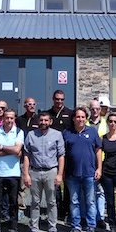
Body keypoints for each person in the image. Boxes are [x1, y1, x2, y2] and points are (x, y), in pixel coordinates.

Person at [23, 111, 65, 232]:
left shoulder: (57, 135)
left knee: (51, 202)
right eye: (41, 120)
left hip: (51, 171)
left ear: (50, 122)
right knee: (34, 202)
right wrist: (26, 174)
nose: (43, 122)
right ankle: (34, 229)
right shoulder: (31, 135)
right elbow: (26, 155)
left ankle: (52, 229)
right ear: (38, 121)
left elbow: (61, 156)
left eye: (46, 120)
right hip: (35, 172)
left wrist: (59, 174)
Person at [63, 107, 102, 232]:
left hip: (89, 173)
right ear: (73, 118)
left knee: (90, 201)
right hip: (72, 174)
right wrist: (61, 172)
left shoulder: (92, 131)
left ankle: (91, 226)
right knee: (74, 201)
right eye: (78, 117)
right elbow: (62, 154)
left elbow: (98, 151)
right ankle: (76, 227)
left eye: (83, 117)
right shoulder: (67, 133)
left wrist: (99, 169)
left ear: (86, 118)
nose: (80, 119)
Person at [0, 108, 24, 232]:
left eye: (11, 118)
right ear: (3, 118)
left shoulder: (19, 132)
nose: (9, 120)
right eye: (7, 118)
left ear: (14, 119)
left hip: (13, 173)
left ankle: (13, 228)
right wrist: (13, 151)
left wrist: (1, 147)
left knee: (13, 202)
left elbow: (17, 150)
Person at [45, 89, 73, 221]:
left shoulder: (70, 113)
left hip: (66, 153)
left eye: (61, 99)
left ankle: (66, 210)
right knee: (54, 184)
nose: (59, 101)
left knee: (67, 182)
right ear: (53, 99)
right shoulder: (48, 114)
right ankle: (55, 208)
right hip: (51, 153)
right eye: (57, 99)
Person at [87, 98, 108, 230]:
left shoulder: (106, 123)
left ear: (100, 110)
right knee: (89, 191)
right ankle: (90, 217)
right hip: (88, 161)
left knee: (100, 191)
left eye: (97, 109)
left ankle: (100, 217)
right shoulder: (85, 123)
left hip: (103, 161)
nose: (95, 111)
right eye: (92, 109)